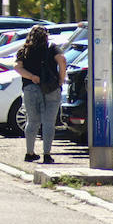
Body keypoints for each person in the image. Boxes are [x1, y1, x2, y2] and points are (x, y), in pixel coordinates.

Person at [14, 25, 66, 164]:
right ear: (46, 35)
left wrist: (31, 77)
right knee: (48, 122)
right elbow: (62, 59)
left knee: (32, 121)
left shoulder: (24, 50)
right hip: (51, 87)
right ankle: (47, 154)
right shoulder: (51, 47)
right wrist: (61, 79)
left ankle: (30, 152)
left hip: (30, 88)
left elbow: (17, 67)